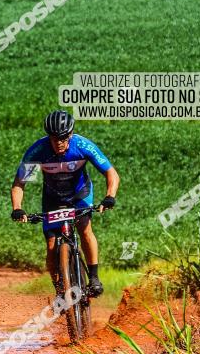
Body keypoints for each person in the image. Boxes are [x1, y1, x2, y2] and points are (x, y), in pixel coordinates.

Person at [10, 110, 120, 296]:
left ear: (70, 135)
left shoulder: (82, 146)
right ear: (48, 137)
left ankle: (93, 278)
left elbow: (111, 173)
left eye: (62, 138)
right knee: (52, 245)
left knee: (85, 229)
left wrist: (110, 196)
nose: (58, 143)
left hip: (80, 194)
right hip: (53, 199)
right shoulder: (38, 151)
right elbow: (20, 183)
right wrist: (18, 208)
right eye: (54, 138)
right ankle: (60, 291)